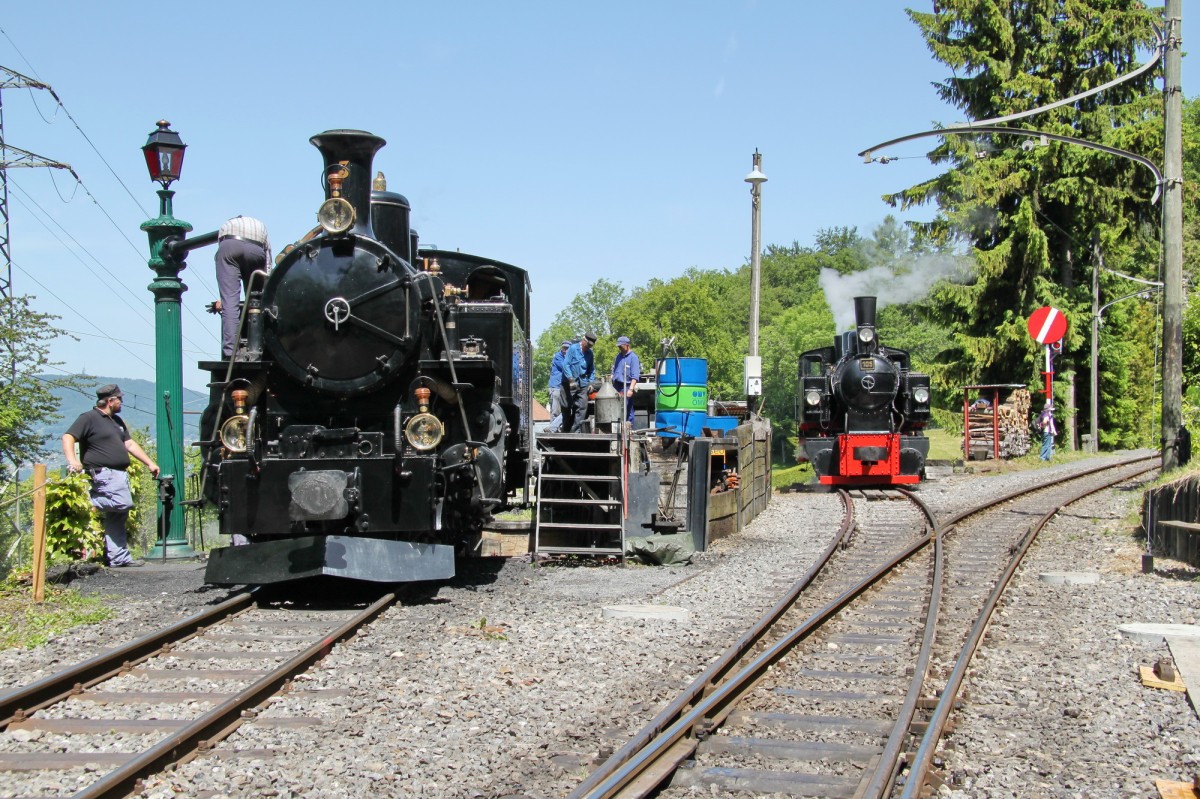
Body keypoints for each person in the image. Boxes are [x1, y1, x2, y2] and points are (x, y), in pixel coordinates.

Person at [61, 385, 160, 567]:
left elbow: (129, 444)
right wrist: (72, 460)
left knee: (118, 516)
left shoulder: (116, 421)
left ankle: (119, 558)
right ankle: (90, 502)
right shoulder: (88, 418)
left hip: (119, 474)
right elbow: (68, 437)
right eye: (119, 399)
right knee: (123, 503)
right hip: (103, 473)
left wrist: (150, 462)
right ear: (110, 401)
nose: (121, 402)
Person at [214, 216, 271, 358]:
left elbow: (221, 247)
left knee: (229, 302)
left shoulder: (226, 225)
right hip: (256, 249)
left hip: (229, 245)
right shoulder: (259, 224)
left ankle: (231, 352)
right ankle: (260, 346)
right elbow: (268, 258)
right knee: (256, 300)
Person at [561, 332, 597, 434]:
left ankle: (575, 431)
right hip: (568, 383)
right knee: (566, 407)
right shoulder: (573, 349)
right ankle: (565, 429)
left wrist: (591, 383)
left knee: (582, 406)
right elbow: (566, 364)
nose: (589, 347)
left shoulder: (590, 353)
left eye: (591, 345)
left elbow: (591, 369)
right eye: (588, 344)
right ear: (583, 340)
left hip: (582, 383)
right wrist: (570, 379)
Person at [611, 335, 641, 425]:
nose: (619, 347)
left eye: (621, 345)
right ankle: (619, 429)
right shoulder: (618, 357)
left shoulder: (633, 358)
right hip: (617, 386)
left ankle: (629, 430)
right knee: (617, 410)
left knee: (628, 409)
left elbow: (635, 376)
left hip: (626, 386)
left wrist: (631, 389)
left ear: (627, 345)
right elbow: (614, 370)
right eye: (619, 346)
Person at [546, 340, 570, 432]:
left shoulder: (569, 357)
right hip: (556, 387)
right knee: (555, 411)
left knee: (565, 409)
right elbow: (565, 367)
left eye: (567, 348)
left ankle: (555, 429)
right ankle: (552, 430)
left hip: (563, 387)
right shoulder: (558, 357)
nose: (565, 350)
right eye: (564, 348)